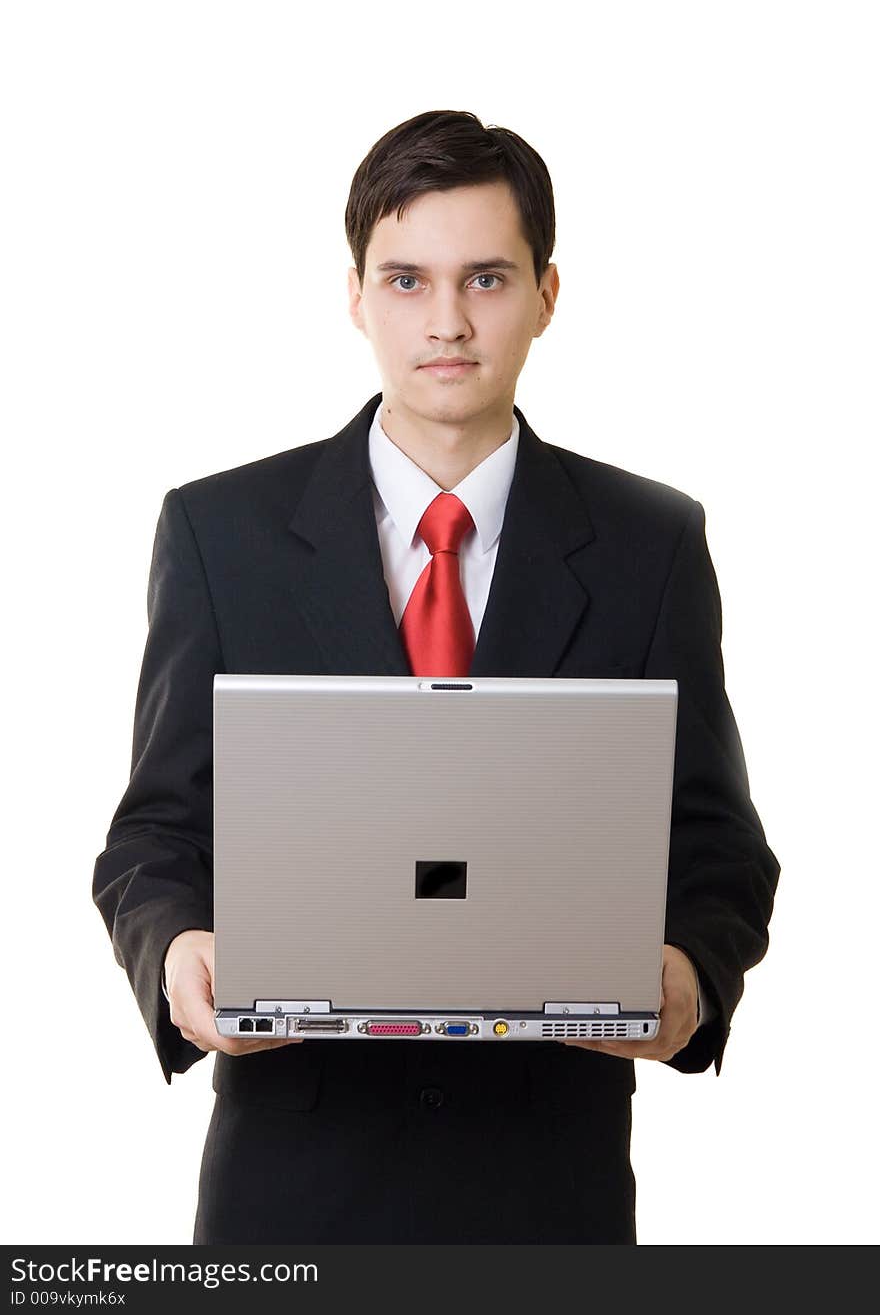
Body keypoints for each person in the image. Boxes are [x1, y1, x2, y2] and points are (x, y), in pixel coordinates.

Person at [93, 109, 780, 1245]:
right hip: (292, 1182)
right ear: (354, 294)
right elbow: (155, 832)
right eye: (406, 279)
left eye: (487, 279)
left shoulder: (648, 542)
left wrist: (689, 975)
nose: (447, 322)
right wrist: (175, 951)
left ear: (548, 295)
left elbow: (717, 849)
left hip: (545, 1182)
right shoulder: (223, 534)